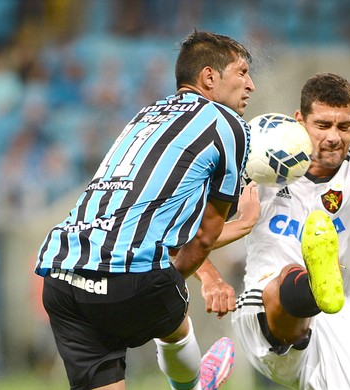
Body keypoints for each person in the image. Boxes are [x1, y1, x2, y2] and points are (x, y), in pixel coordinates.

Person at [34, 30, 255, 390]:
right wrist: (244, 222)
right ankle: (193, 386)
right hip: (130, 280)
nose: (250, 85)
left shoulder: (145, 115)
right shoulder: (228, 125)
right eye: (242, 72)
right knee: (175, 325)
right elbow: (202, 236)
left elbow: (142, 215)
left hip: (62, 274)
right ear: (209, 77)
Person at [218, 72, 350, 388]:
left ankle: (317, 290)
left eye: (343, 126)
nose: (333, 136)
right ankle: (308, 286)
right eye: (323, 125)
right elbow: (199, 230)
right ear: (299, 121)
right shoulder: (262, 166)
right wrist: (216, 270)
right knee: (286, 280)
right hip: (265, 310)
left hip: (341, 321)